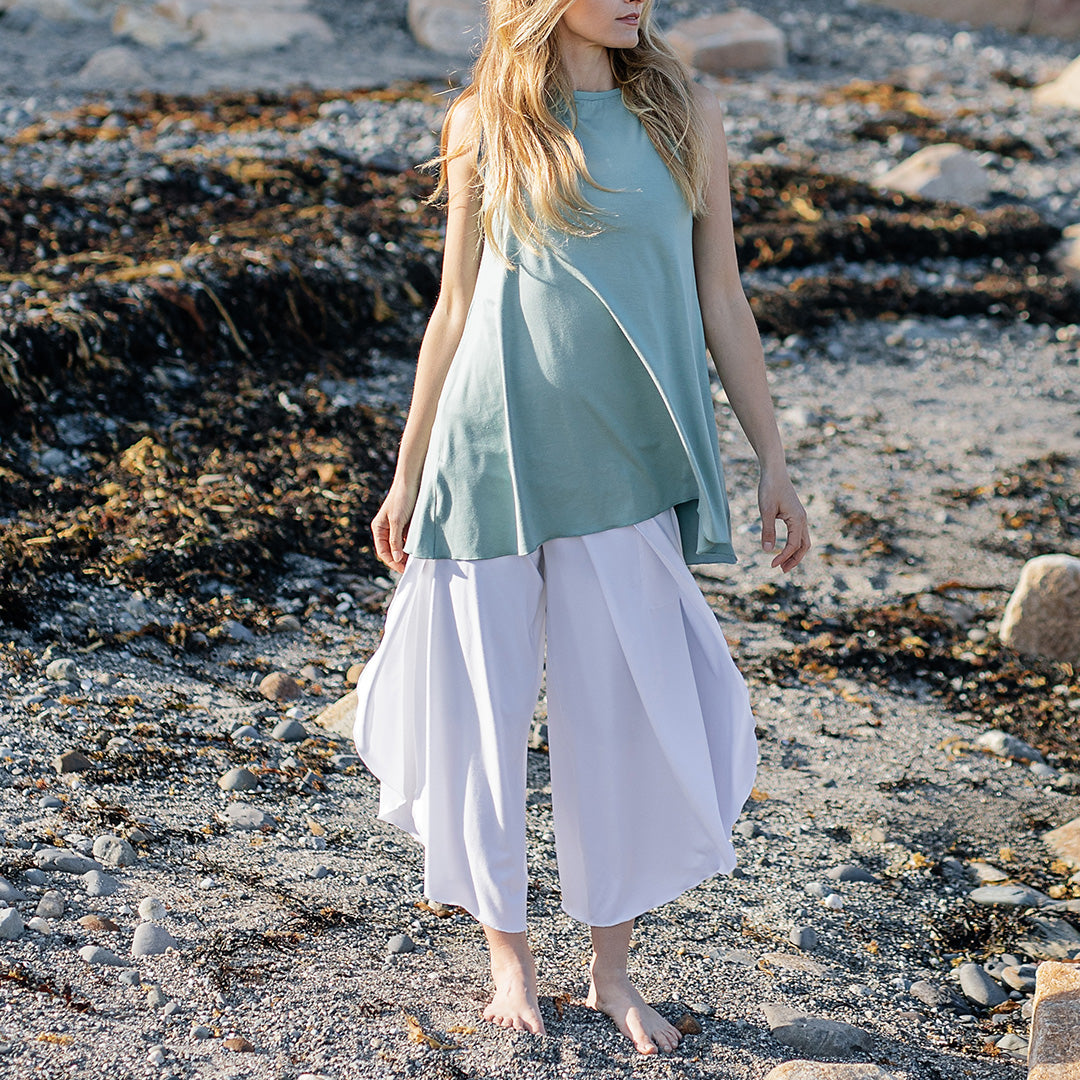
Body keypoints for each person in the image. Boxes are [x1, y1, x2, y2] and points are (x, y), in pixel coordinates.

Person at [353, 0, 811, 1057]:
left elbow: (723, 296)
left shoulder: (685, 109)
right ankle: (507, 953)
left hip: (624, 459)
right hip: (490, 450)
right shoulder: (483, 122)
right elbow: (456, 304)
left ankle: (612, 969)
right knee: (481, 712)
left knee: (628, 712)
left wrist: (773, 461)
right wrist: (407, 468)